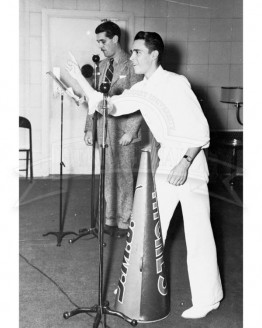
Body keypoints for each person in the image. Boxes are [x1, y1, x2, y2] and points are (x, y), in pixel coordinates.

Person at [66, 31, 223, 319]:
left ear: (154, 55)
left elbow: (201, 129)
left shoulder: (176, 83)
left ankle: (208, 298)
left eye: (138, 52)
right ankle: (134, 288)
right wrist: (79, 82)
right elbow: (110, 107)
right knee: (148, 230)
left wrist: (185, 163)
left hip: (191, 163)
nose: (133, 56)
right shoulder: (142, 88)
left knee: (198, 234)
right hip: (167, 163)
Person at [83, 21, 143, 237]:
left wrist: (131, 131)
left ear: (115, 39)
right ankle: (109, 218)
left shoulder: (131, 65)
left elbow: (139, 100)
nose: (100, 45)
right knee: (107, 175)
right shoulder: (101, 67)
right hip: (103, 129)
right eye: (98, 41)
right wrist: (90, 128)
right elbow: (93, 100)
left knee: (124, 177)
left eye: (103, 41)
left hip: (123, 131)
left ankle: (125, 221)